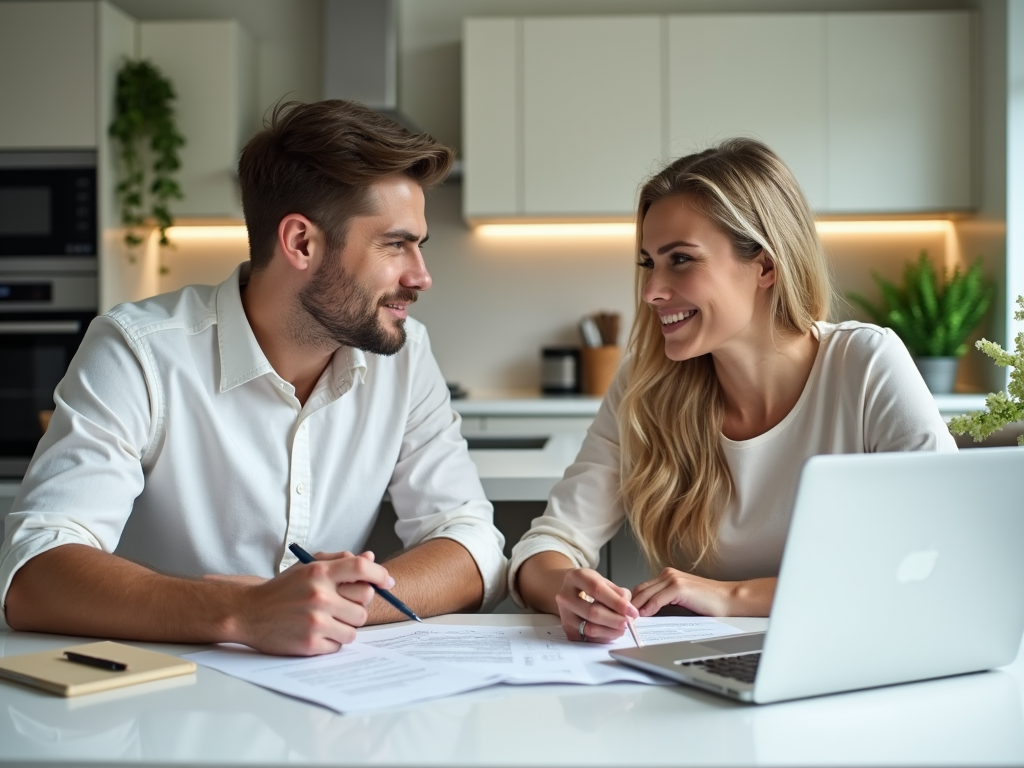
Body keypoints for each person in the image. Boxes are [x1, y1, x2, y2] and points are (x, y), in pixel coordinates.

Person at [0, 100, 507, 655]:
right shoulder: (138, 351)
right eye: (395, 243)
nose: (422, 276)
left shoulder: (405, 357)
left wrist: (331, 605)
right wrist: (242, 612)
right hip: (156, 707)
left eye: (419, 245)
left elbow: (472, 542)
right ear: (301, 243)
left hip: (328, 700)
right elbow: (35, 573)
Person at [511, 138, 956, 643]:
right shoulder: (647, 384)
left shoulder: (866, 365)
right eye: (648, 263)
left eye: (680, 259)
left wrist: (731, 596)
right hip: (701, 673)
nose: (652, 290)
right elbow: (546, 545)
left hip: (851, 655)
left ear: (765, 266)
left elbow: (938, 554)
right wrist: (565, 586)